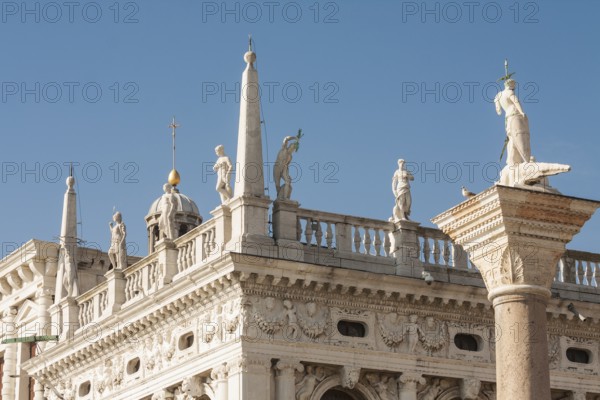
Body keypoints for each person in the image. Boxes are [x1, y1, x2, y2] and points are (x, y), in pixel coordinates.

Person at [494, 78, 531, 165]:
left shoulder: (499, 95)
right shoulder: (509, 92)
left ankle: (511, 159)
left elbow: (498, 111)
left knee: (511, 138)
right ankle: (525, 159)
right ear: (510, 85)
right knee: (518, 136)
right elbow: (516, 101)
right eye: (514, 85)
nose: (514, 87)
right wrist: (522, 112)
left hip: (507, 118)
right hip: (515, 115)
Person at [273, 136, 299, 200]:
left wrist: (287, 174)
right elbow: (285, 139)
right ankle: (279, 198)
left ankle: (285, 198)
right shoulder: (284, 149)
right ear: (289, 146)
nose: (292, 149)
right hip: (277, 168)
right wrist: (294, 138)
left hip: (284, 168)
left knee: (288, 181)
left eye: (293, 149)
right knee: (277, 185)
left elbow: (287, 166)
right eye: (291, 147)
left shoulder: (290, 156)